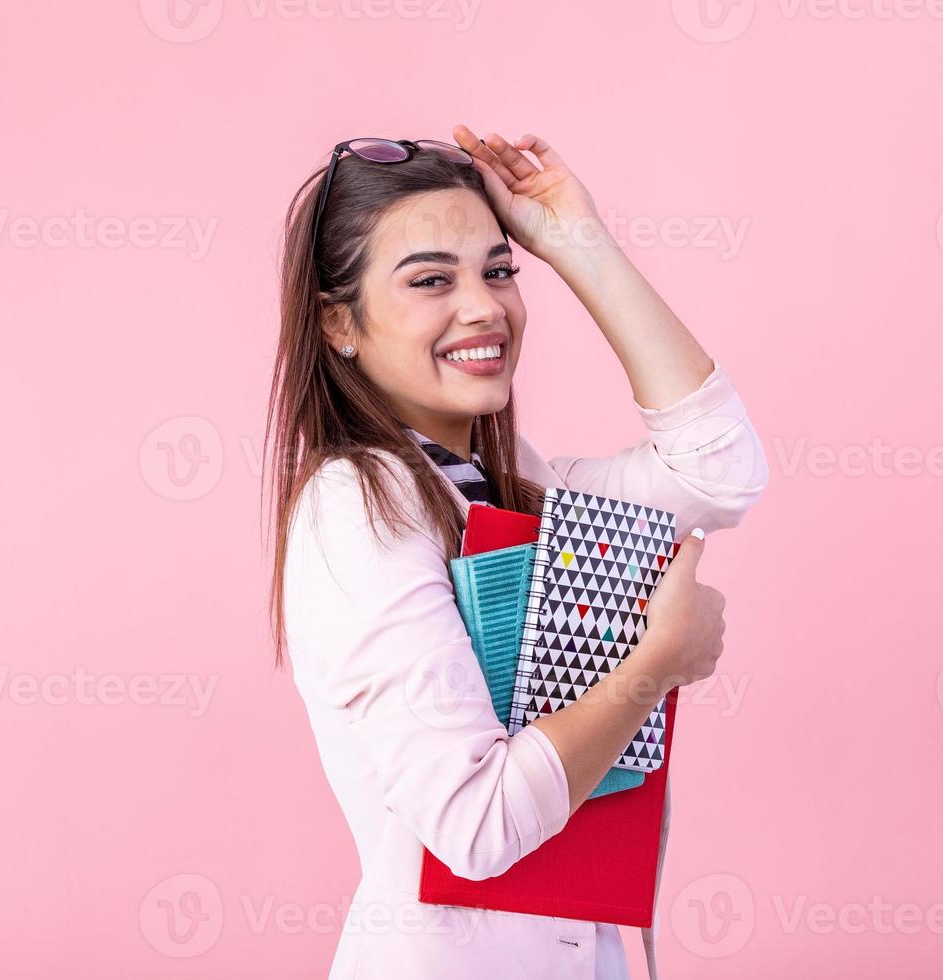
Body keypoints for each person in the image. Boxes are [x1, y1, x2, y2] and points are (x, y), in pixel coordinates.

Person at [263, 125, 769, 979]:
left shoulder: (509, 485)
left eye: (498, 271)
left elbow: (717, 472)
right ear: (338, 323)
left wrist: (580, 244)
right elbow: (475, 823)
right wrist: (655, 666)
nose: (483, 307)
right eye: (431, 280)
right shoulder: (360, 507)